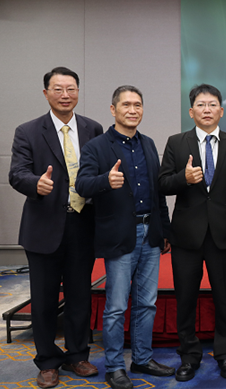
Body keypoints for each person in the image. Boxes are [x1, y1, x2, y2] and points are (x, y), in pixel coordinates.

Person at [8, 67, 103, 389]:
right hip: (44, 227)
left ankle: (78, 354)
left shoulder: (93, 128)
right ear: (46, 93)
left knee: (79, 296)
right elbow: (17, 173)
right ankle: (48, 361)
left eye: (71, 88)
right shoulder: (28, 131)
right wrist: (35, 183)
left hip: (82, 225)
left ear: (78, 92)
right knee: (44, 300)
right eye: (58, 89)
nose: (65, 95)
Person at [76, 85, 174, 389]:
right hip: (120, 235)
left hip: (151, 233)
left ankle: (142, 358)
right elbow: (82, 185)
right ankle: (115, 366)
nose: (133, 110)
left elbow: (157, 193)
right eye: (126, 105)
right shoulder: (96, 147)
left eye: (138, 105)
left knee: (147, 303)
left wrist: (165, 230)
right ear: (113, 109)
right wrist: (106, 180)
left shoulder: (149, 144)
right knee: (117, 306)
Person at [158, 84, 226, 381]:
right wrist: (183, 178)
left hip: (223, 233)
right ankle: (189, 356)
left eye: (212, 105)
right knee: (185, 298)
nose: (207, 110)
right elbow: (163, 184)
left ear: (221, 111)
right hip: (186, 235)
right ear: (191, 111)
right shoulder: (176, 142)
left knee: (225, 297)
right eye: (201, 105)